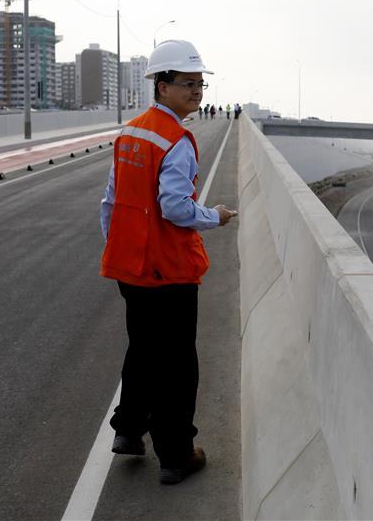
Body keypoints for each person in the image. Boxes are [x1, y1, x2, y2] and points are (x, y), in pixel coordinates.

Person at [99, 39, 237, 485]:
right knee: (176, 364)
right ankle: (176, 453)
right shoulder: (175, 139)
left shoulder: (130, 133)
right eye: (186, 83)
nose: (197, 91)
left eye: (200, 83)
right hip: (169, 271)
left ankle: (128, 431)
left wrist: (121, 247)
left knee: (143, 348)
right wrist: (214, 216)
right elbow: (177, 208)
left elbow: (111, 202)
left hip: (131, 269)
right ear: (161, 86)